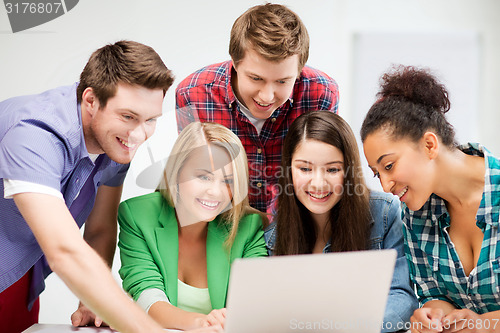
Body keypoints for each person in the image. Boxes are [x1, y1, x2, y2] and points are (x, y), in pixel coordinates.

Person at [0, 40, 221, 333]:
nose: (139, 135)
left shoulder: (116, 141)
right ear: (90, 100)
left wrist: (92, 301)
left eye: (151, 120)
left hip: (19, 273)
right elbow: (64, 251)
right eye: (128, 116)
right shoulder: (34, 135)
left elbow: (100, 227)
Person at [361, 65, 500, 333]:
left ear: (429, 145)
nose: (385, 185)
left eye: (388, 166)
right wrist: (433, 315)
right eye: (376, 174)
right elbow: (436, 296)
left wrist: (485, 324)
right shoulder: (415, 214)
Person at [175, 3, 339, 213]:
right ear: (235, 62)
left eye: (282, 82)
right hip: (224, 224)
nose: (266, 96)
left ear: (299, 71)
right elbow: (196, 182)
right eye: (255, 78)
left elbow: (320, 177)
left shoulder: (321, 94)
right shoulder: (193, 95)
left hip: (294, 225)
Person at [265, 111, 418, 332]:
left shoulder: (384, 213)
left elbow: (402, 297)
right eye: (305, 168)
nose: (318, 183)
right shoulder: (273, 238)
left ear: (349, 171)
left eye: (333, 169)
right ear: (289, 170)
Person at [118, 122, 268, 330]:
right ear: (177, 172)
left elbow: (253, 300)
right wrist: (201, 323)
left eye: (228, 181)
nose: (216, 192)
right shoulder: (138, 216)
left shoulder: (249, 227)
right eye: (204, 176)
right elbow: (146, 296)